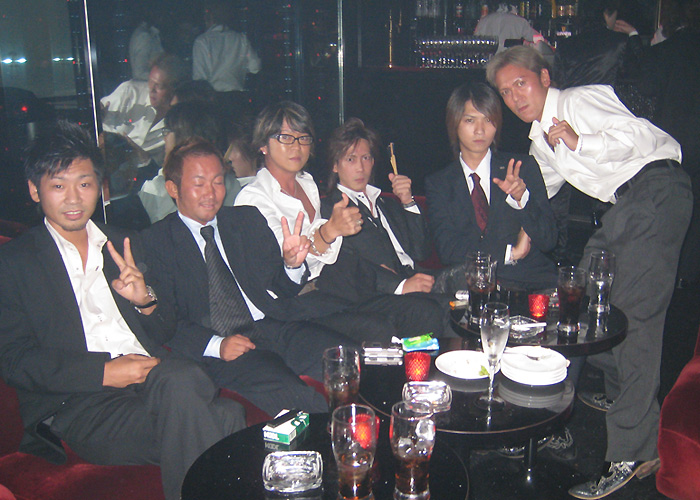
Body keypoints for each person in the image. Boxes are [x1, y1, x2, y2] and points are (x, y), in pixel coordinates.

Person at [0, 121, 245, 500]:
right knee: (215, 408)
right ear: (35, 190)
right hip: (80, 402)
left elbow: (164, 330)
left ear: (100, 187)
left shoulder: (123, 244)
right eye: (58, 186)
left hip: (152, 382)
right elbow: (14, 359)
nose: (73, 198)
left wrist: (144, 300)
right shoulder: (15, 262)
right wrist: (104, 372)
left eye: (84, 184)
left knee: (211, 403)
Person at [487, 46, 691, 498]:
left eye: (520, 83)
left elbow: (640, 135)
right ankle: (626, 396)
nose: (515, 97)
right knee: (578, 304)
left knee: (636, 321)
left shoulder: (577, 101)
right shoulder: (541, 142)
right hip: (625, 209)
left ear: (544, 78)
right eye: (505, 92)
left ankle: (632, 450)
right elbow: (542, 193)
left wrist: (582, 141)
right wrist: (521, 204)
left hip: (655, 190)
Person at [142, 137, 352, 416]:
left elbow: (279, 287)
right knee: (294, 397)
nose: (211, 193)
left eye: (218, 182)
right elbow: (166, 321)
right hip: (224, 346)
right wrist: (217, 345)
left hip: (273, 325)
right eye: (199, 184)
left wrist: (291, 265)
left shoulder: (245, 220)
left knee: (348, 361)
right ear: (173, 188)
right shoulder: (156, 241)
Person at [235, 101, 448, 342]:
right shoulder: (252, 198)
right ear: (263, 145)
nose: (296, 146)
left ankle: (424, 367)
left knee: (424, 313)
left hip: (330, 290)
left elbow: (342, 257)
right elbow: (281, 267)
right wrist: (328, 233)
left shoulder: (307, 184)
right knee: (380, 328)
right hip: (289, 305)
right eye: (285, 137)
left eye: (303, 138)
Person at [426, 82, 557, 290]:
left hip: (529, 284)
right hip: (470, 287)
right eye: (470, 120)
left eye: (488, 120)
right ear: (454, 123)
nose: (480, 130)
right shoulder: (440, 183)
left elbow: (548, 240)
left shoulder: (521, 168)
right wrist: (510, 253)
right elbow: (448, 250)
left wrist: (522, 200)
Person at [321, 118, 436, 295]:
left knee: (467, 275)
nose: (360, 168)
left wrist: (408, 201)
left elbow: (421, 252)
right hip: (383, 293)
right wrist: (398, 285)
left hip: (418, 278)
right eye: (351, 159)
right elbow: (348, 266)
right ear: (335, 165)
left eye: (366, 158)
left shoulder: (387, 204)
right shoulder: (332, 210)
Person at [138, 101, 242, 223]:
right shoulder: (232, 184)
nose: (165, 138)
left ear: (182, 137)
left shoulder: (155, 189)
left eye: (167, 131)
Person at [101, 53, 187, 166]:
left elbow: (166, 166)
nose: (152, 89)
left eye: (159, 86)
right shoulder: (129, 91)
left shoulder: (179, 122)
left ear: (173, 89)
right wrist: (100, 115)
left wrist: (143, 158)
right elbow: (98, 115)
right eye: (150, 82)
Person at [193, 0, 261, 117]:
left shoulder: (202, 41)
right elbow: (255, 67)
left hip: (212, 100)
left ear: (209, 16)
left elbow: (199, 78)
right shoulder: (240, 39)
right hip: (237, 99)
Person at [474, 2, 547, 53]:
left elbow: (474, 44)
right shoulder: (519, 21)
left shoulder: (484, 21)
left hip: (489, 64)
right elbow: (539, 40)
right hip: (511, 62)